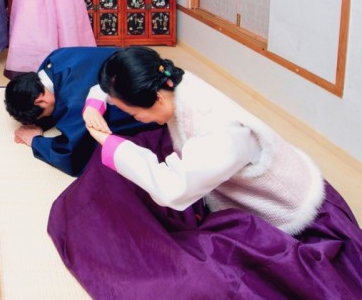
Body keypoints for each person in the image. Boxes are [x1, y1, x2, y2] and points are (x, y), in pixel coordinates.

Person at [48, 46, 362, 298]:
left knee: (205, 278)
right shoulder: (168, 79)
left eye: (133, 112)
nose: (134, 118)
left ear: (156, 98)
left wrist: (110, 143)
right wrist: (94, 105)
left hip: (289, 213)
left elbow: (173, 190)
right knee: (120, 173)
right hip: (226, 179)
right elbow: (113, 85)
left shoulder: (220, 133)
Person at [4, 46, 159, 176]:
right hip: (140, 62)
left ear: (40, 101)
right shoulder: (54, 58)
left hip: (148, 96)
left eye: (43, 115)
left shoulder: (75, 103)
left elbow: (72, 154)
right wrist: (41, 124)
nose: (45, 118)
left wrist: (35, 141)